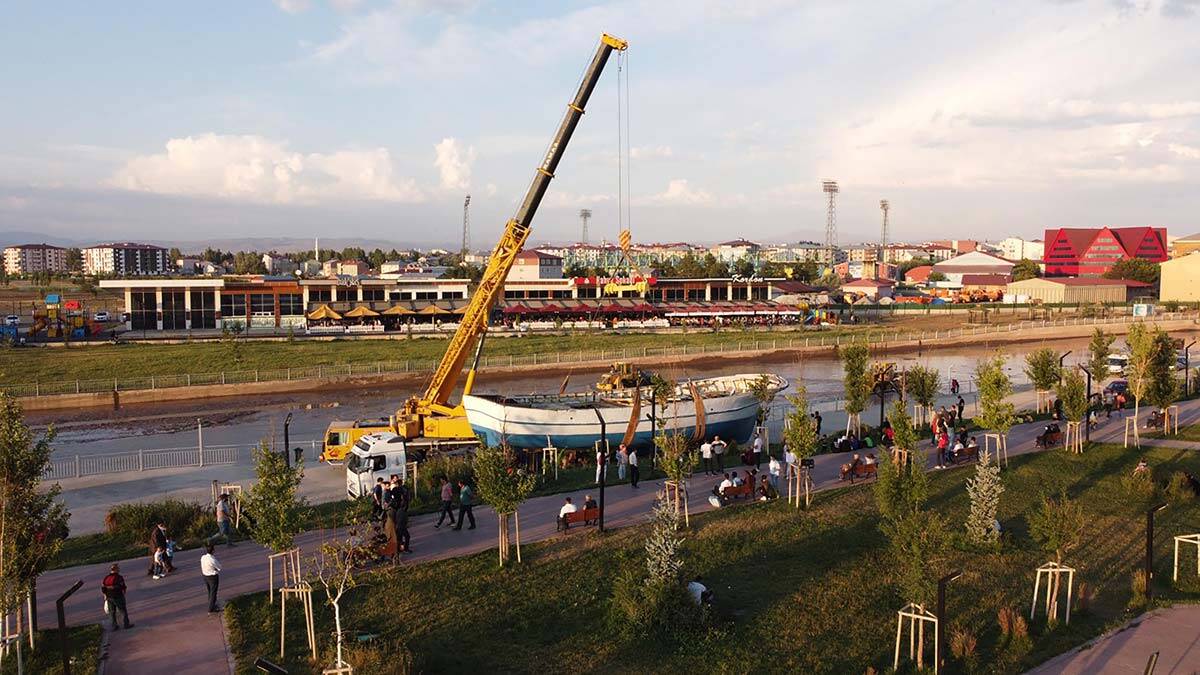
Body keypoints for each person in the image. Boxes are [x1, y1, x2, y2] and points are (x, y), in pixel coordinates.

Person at [101, 564, 134, 630]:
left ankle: (114, 626)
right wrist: (123, 592)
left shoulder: (106, 578)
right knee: (123, 610)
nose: (119, 570)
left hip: (109, 597)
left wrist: (105, 595)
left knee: (112, 612)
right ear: (116, 569)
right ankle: (126, 624)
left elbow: (103, 588)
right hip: (118, 596)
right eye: (118, 569)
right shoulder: (119, 577)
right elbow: (122, 587)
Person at [387, 475, 412, 553]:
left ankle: (399, 549)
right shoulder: (402, 509)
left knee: (399, 537)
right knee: (406, 536)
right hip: (400, 525)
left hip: (398, 524)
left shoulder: (395, 491)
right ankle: (404, 549)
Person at [201, 544, 221, 613]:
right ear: (212, 551)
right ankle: (211, 608)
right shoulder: (213, 559)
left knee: (210, 591)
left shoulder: (203, 557)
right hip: (212, 577)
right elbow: (219, 567)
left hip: (205, 576)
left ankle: (211, 603)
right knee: (213, 592)